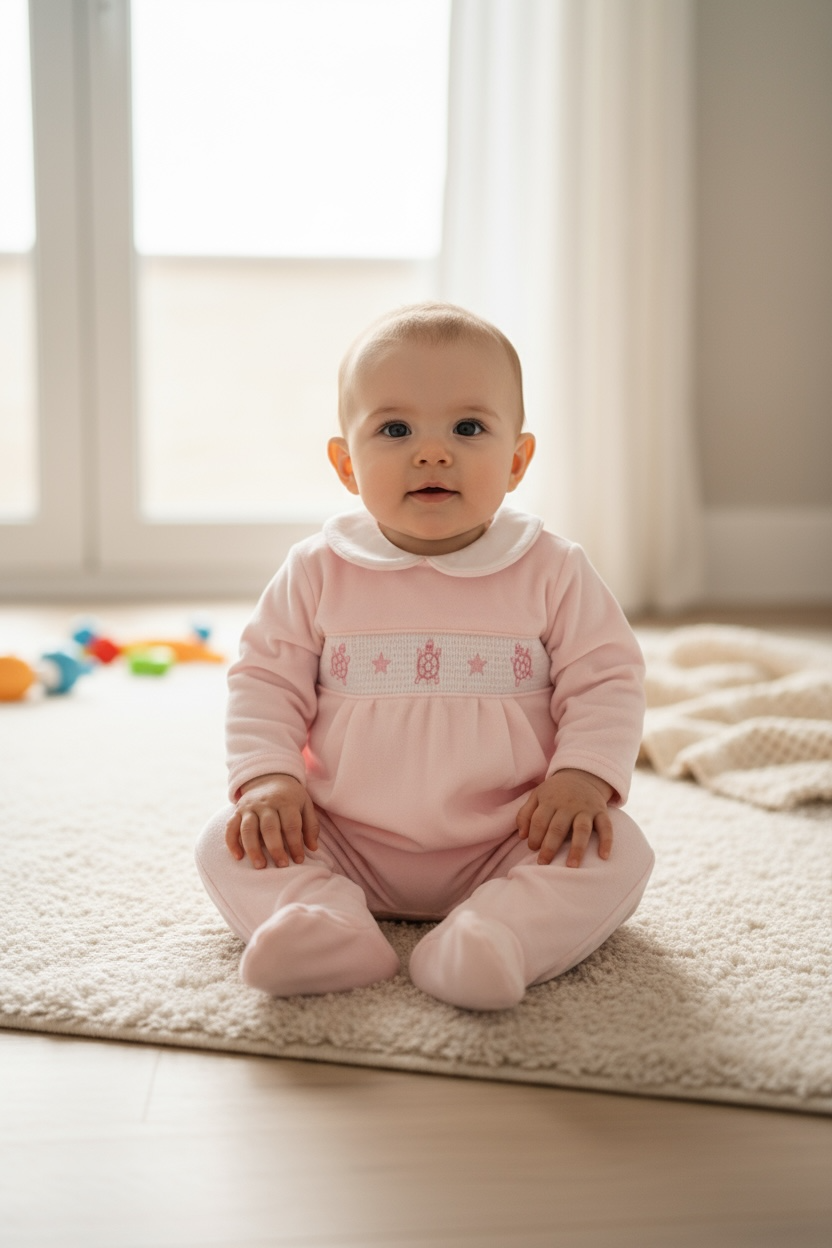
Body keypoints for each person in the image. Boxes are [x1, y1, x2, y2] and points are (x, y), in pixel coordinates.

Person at [195, 302, 654, 1011]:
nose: (432, 452)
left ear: (518, 460)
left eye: (468, 428)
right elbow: (263, 680)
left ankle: (495, 936)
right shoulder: (318, 569)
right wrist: (269, 782)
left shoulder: (552, 569)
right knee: (226, 843)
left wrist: (584, 777)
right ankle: (324, 922)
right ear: (347, 465)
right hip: (341, 834)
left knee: (617, 850)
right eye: (395, 429)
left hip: (511, 835)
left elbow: (608, 680)